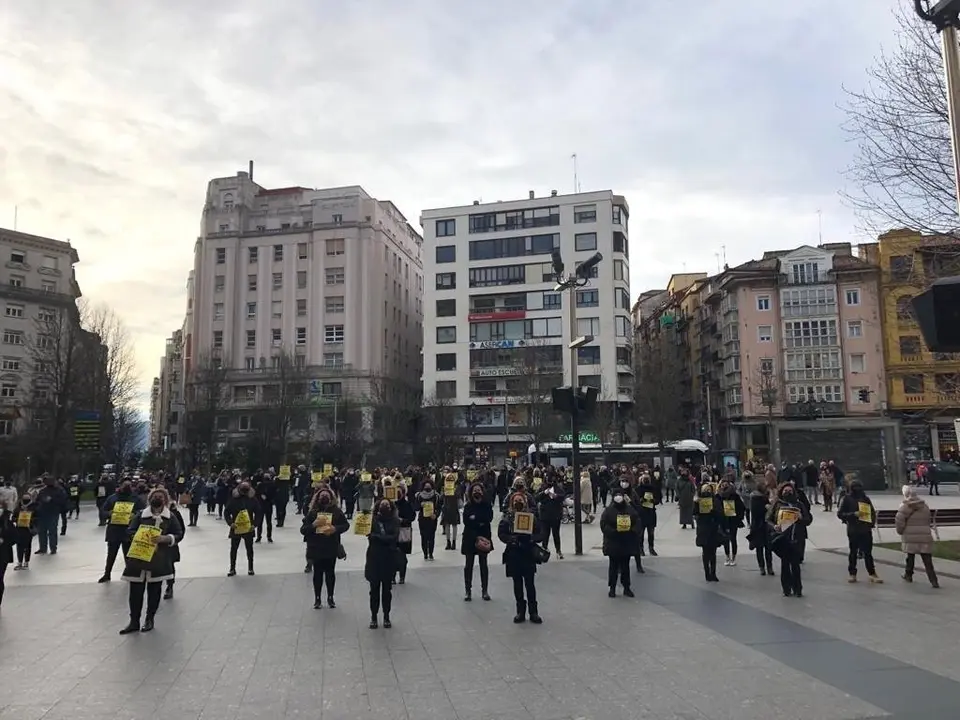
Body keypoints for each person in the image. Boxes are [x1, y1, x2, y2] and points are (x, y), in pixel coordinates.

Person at [119, 487, 184, 634]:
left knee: (154, 592)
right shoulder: (141, 515)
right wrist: (139, 535)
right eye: (155, 496)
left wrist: (166, 538)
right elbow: (129, 530)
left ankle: (149, 619)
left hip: (159, 560)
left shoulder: (170, 517)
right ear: (150, 499)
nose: (158, 498)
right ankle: (134, 621)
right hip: (139, 559)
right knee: (135, 592)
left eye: (161, 496)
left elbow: (179, 533)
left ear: (165, 500)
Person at [498, 490, 543, 624]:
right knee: (517, 584)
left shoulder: (532, 517)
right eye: (516, 501)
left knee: (530, 584)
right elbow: (501, 533)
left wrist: (532, 538)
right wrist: (511, 539)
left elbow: (540, 533)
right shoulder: (507, 518)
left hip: (528, 553)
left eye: (521, 501)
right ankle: (520, 611)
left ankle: (533, 612)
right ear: (512, 503)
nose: (518, 503)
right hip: (514, 554)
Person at [301, 487, 350, 609]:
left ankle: (330, 597)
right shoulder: (312, 513)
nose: (324, 498)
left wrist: (335, 529)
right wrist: (313, 525)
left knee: (330, 573)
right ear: (317, 498)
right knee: (317, 573)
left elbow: (346, 525)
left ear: (331, 498)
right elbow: (303, 530)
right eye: (322, 495)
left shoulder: (336, 511)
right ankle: (317, 598)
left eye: (326, 496)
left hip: (331, 546)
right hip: (316, 547)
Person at [767, 483, 811, 597]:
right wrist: (774, 526)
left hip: (796, 538)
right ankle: (786, 588)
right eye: (785, 491)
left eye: (790, 490)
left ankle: (798, 589)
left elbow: (808, 519)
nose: (787, 492)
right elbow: (768, 519)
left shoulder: (799, 504)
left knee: (795, 565)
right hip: (783, 538)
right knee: (785, 564)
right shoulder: (777, 504)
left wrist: (802, 518)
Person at [98, 481, 145, 583]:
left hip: (128, 530)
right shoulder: (112, 498)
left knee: (128, 554)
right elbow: (103, 511)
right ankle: (107, 574)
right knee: (111, 554)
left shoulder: (135, 499)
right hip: (114, 530)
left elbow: (142, 511)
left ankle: (129, 573)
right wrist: (109, 513)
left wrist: (135, 515)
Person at [837, 479, 881, 584]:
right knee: (853, 552)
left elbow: (872, 512)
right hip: (853, 529)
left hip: (865, 529)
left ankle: (872, 573)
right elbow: (840, 514)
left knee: (868, 553)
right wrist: (853, 514)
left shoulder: (865, 499)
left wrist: (871, 523)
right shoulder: (847, 499)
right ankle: (852, 573)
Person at [895, 484, 939, 588]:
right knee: (927, 559)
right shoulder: (924, 506)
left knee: (910, 556)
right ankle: (933, 580)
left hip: (910, 535)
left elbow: (899, 520)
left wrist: (900, 531)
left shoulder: (905, 506)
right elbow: (927, 519)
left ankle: (908, 574)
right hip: (924, 534)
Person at [365, 499, 399, 629]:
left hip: (388, 558)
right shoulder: (372, 520)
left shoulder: (395, 521)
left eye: (387, 505)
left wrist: (376, 537)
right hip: (374, 558)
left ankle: (386, 616)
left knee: (386, 590)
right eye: (382, 505)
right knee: (373, 590)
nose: (385, 507)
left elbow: (393, 538)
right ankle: (373, 616)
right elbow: (368, 535)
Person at [600, 486, 639, 597]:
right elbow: (604, 525)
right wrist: (613, 532)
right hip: (614, 542)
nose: (618, 497)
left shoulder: (629, 509)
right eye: (616, 495)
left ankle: (626, 587)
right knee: (613, 566)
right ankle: (612, 588)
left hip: (626, 541)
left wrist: (632, 531)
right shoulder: (608, 510)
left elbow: (637, 521)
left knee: (625, 566)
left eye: (620, 495)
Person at [461, 481, 494, 602]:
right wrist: (478, 521)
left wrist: (475, 518)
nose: (477, 492)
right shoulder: (468, 506)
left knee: (483, 564)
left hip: (484, 537)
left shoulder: (487, 505)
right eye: (474, 490)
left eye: (479, 490)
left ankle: (484, 590)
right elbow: (466, 521)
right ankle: (467, 591)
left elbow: (488, 518)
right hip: (470, 538)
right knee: (468, 565)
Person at [224, 482, 261, 577]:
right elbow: (227, 512)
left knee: (249, 549)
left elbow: (258, 512)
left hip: (248, 528)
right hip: (236, 527)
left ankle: (250, 568)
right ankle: (232, 568)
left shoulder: (253, 499)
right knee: (233, 549)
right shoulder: (233, 499)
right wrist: (230, 523)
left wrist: (255, 524)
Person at [695, 483, 726, 583]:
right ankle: (707, 573)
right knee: (705, 553)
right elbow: (695, 514)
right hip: (703, 529)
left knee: (713, 553)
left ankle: (713, 573)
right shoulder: (698, 501)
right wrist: (697, 505)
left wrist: (714, 512)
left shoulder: (715, 501)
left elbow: (721, 515)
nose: (707, 492)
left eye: (709, 490)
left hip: (713, 529)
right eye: (705, 490)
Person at [748, 479, 774, 576]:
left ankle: (769, 566)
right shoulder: (755, 498)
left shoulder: (765, 497)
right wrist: (766, 507)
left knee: (768, 548)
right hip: (758, 526)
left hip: (766, 526)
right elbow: (755, 512)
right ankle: (762, 567)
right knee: (759, 548)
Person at [718, 480, 746, 566]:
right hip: (723, 520)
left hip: (733, 520)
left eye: (726, 484)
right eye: (723, 485)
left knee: (733, 539)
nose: (724, 486)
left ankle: (733, 557)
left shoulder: (735, 496)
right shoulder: (718, 496)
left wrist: (738, 517)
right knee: (725, 539)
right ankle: (727, 557)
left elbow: (742, 507)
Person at [394, 484, 415, 585]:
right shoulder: (391, 503)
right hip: (392, 532)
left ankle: (402, 576)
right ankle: (392, 576)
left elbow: (412, 516)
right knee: (392, 554)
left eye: (400, 493)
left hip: (404, 531)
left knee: (402, 555)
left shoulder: (407, 504)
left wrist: (403, 520)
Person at [415, 479, 440, 560]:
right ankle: (425, 553)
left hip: (432, 519)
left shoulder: (436, 496)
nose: (427, 488)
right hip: (422, 519)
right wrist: (420, 505)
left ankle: (431, 553)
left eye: (429, 486)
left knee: (431, 537)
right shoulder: (419, 496)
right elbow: (415, 507)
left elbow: (439, 508)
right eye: (426, 486)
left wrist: (436, 515)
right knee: (423, 537)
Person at [635, 473, 659, 556]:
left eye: (647, 479)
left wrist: (654, 501)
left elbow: (658, 499)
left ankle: (651, 547)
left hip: (651, 512)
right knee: (641, 533)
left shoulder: (654, 488)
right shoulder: (638, 489)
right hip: (642, 513)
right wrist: (641, 500)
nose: (645, 480)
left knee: (651, 533)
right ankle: (640, 548)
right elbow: (635, 500)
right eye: (644, 479)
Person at [12, 492, 37, 570]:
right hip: (19, 529)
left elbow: (37, 517)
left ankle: (26, 562)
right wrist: (18, 520)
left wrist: (30, 520)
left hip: (29, 529)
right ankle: (19, 562)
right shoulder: (18, 508)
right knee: (19, 546)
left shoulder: (33, 507)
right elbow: (13, 517)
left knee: (27, 546)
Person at [254, 472, 276, 543]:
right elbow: (274, 495)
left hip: (261, 505)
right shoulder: (272, 485)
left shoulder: (260, 485)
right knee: (268, 522)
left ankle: (259, 537)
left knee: (260, 522)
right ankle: (269, 537)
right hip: (268, 505)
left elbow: (256, 494)